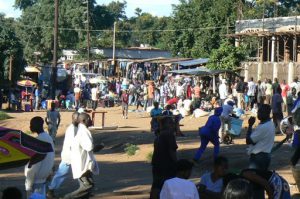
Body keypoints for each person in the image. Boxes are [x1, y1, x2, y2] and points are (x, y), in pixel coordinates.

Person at [64, 112, 99, 199]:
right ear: (84, 120)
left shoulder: (82, 130)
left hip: (83, 163)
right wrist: (98, 147)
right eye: (89, 119)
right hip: (82, 164)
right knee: (88, 185)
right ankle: (68, 197)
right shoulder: (83, 131)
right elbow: (89, 147)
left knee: (88, 186)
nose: (91, 120)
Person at [47, 112, 79, 199]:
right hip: (69, 155)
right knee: (61, 173)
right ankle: (50, 190)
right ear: (74, 119)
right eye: (78, 118)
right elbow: (74, 144)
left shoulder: (76, 128)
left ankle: (85, 189)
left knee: (81, 173)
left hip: (73, 155)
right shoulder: (72, 129)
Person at [25, 117, 55, 198]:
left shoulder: (38, 141)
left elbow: (34, 165)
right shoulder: (48, 138)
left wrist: (28, 186)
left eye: (31, 125)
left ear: (36, 125)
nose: (30, 127)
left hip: (35, 181)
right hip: (43, 178)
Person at [150, 117, 177, 199]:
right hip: (166, 165)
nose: (173, 125)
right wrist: (176, 163)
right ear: (166, 125)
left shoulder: (160, 134)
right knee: (167, 186)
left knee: (156, 185)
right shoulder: (169, 135)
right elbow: (172, 151)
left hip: (156, 164)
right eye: (170, 123)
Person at [246, 104, 275, 170]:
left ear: (266, 113)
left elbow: (248, 141)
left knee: (254, 177)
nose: (258, 114)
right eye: (258, 112)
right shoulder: (270, 123)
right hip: (265, 155)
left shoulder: (264, 127)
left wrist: (250, 125)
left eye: (261, 112)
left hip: (259, 157)